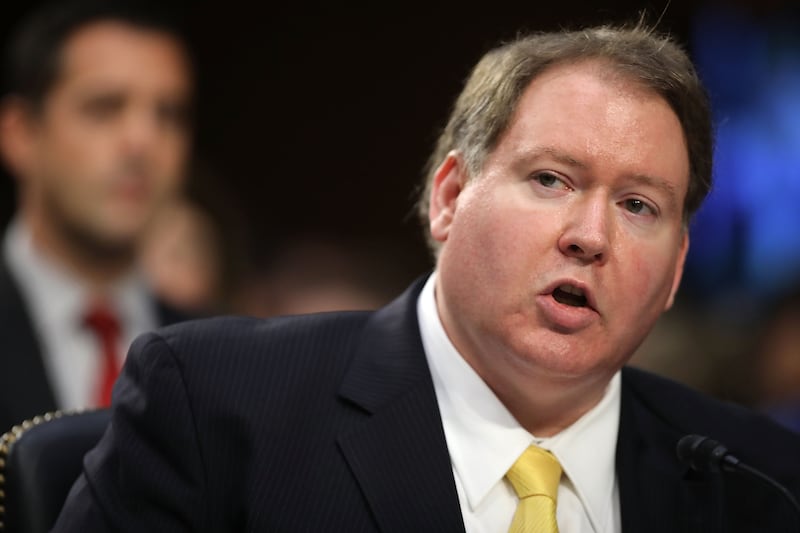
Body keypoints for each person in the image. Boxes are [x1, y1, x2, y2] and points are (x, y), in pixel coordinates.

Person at [54, 23, 800, 532]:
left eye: (638, 205)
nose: (590, 236)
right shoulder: (215, 407)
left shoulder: (761, 480)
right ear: (449, 198)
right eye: (550, 179)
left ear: (675, 271)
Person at [0, 1, 193, 432]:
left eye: (169, 114)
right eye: (104, 108)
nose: (143, 141)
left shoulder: (220, 352)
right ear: (20, 134)